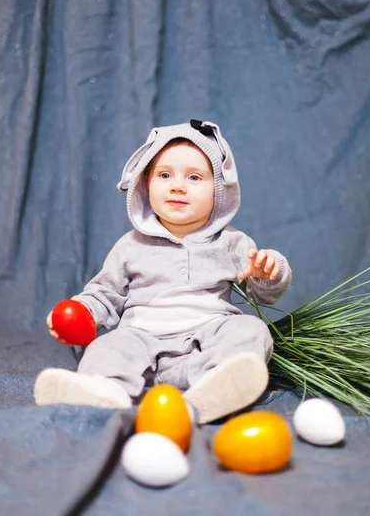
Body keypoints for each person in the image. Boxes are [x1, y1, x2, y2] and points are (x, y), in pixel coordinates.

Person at [34, 120, 291, 424]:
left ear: (219, 192)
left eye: (194, 177)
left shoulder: (233, 243)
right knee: (109, 345)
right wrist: (81, 312)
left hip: (207, 339)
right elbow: (105, 293)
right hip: (143, 338)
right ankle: (103, 388)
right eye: (165, 175)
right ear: (145, 184)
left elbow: (263, 295)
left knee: (252, 331)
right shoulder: (131, 246)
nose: (177, 186)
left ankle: (218, 385)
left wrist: (267, 272)